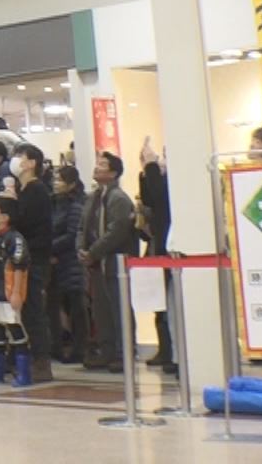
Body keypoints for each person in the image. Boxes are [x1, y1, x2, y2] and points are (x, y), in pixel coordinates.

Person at [79, 152, 136, 373]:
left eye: (102, 164)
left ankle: (124, 352)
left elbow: (117, 232)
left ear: (113, 173)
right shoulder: (93, 196)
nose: (97, 167)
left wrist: (93, 251)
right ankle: (107, 350)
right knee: (101, 309)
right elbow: (82, 227)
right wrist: (81, 249)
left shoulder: (119, 198)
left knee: (118, 307)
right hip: (96, 263)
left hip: (114, 261)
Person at [9, 144, 55, 381]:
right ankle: (24, 358)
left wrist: (10, 207)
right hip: (21, 258)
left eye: (20, 157)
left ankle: (41, 361)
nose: (16, 160)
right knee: (24, 312)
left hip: (34, 259)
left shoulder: (36, 191)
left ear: (32, 163)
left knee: (34, 311)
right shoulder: (23, 190)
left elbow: (25, 222)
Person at [0, 196, 32, 385]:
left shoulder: (14, 239)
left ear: (5, 216)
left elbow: (19, 266)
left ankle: (24, 373)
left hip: (8, 293)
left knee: (15, 330)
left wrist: (16, 292)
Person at [137, 139, 174, 375]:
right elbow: (150, 200)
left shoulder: (178, 180)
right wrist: (146, 170)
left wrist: (151, 167)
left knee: (171, 305)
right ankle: (166, 350)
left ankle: (173, 353)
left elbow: (160, 198)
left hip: (172, 250)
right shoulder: (160, 177)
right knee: (160, 303)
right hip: (159, 248)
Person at [48, 166, 89, 364]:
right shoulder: (53, 205)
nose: (56, 184)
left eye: (60, 180)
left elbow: (72, 235)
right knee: (53, 305)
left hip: (71, 262)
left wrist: (50, 248)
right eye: (55, 179)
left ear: (71, 184)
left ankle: (80, 348)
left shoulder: (75, 206)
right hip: (54, 263)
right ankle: (56, 345)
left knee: (76, 306)